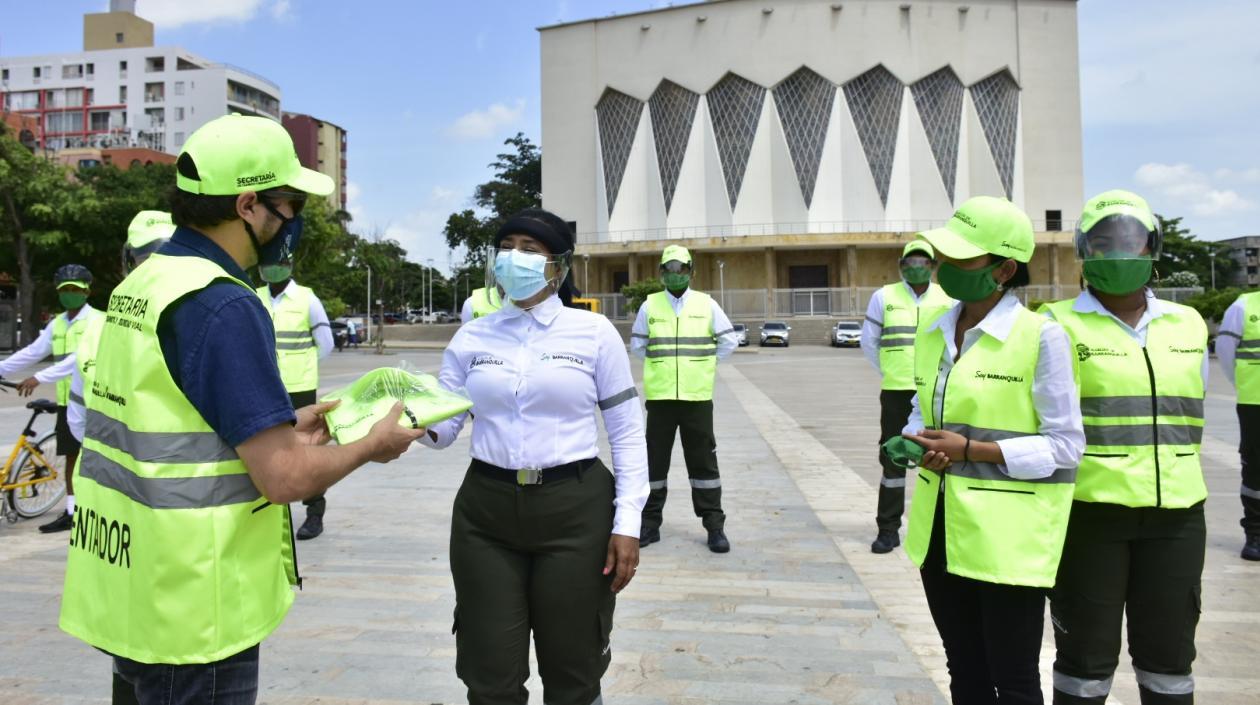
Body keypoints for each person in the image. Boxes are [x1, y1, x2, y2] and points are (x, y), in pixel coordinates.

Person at [58, 114, 425, 705]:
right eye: (290, 206)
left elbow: (171, 423)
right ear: (250, 205)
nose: (294, 222)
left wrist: (279, 427)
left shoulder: (143, 283)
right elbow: (282, 478)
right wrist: (370, 445)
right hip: (194, 606)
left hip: (133, 586)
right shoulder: (223, 302)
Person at [420, 208, 647, 705]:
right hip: (487, 514)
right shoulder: (473, 337)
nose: (513, 258)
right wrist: (397, 415)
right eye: (507, 247)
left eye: (529, 248)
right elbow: (443, 430)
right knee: (489, 674)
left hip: (575, 510)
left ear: (557, 267)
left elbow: (627, 433)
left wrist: (627, 522)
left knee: (574, 671)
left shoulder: (593, 334)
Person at [901, 196, 1084, 704]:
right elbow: (925, 411)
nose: (945, 269)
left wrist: (973, 450)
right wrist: (915, 442)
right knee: (965, 670)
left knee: (1016, 679)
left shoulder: (1041, 338)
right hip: (940, 530)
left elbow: (1067, 446)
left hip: (1007, 539)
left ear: (1004, 269)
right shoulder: (934, 327)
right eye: (945, 257)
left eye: (963, 260)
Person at [1046, 190, 1209, 704]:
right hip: (1092, 515)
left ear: (1152, 249)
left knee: (1170, 657)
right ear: (1083, 251)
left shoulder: (1187, 324)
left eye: (1131, 240)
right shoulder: (1053, 324)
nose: (1119, 250)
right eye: (1104, 241)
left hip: (1178, 515)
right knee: (1086, 657)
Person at [631, 245, 739, 553]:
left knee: (704, 462)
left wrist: (704, 363)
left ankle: (714, 526)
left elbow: (728, 341)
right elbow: (638, 346)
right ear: (661, 273)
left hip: (697, 398)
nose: (675, 274)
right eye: (670, 269)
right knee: (654, 465)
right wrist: (661, 367)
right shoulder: (650, 306)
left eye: (681, 269)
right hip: (661, 398)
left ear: (691, 272)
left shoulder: (706, 304)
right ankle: (649, 525)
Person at [860, 240, 954, 554]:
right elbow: (869, 343)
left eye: (923, 262)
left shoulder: (947, 296)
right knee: (893, 458)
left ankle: (945, 529)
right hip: (897, 390)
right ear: (901, 266)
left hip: (937, 390)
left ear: (933, 266)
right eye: (911, 262)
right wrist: (890, 370)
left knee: (945, 456)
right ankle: (888, 529)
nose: (917, 267)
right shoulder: (883, 296)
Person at [0, 263, 100, 533]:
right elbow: (32, 352)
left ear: (87, 291)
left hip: (96, 402)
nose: (70, 294)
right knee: (70, 456)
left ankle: (96, 509)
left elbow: (78, 359)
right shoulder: (57, 323)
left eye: (75, 289)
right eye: (65, 290)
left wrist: (39, 378)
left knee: (95, 458)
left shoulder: (97, 321)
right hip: (68, 404)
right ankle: (71, 512)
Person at [257, 261, 335, 540]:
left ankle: (314, 514)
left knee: (306, 450)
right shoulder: (254, 296)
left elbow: (325, 344)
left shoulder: (307, 299)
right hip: (264, 386)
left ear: (289, 265)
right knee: (263, 448)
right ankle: (265, 515)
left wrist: (302, 367)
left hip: (300, 387)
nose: (273, 267)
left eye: (279, 261)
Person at [1214, 286, 1260, 561]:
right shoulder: (1245, 306)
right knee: (1256, 470)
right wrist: (1242, 385)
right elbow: (1225, 351)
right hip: (1255, 401)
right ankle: (1255, 533)